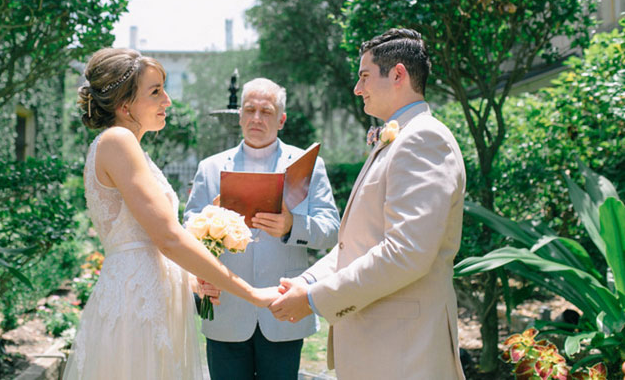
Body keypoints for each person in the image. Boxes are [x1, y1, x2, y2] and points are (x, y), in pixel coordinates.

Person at [63, 49, 278, 380]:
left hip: (152, 295)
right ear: (124, 105)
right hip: (137, 303)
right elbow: (166, 237)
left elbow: (147, 235)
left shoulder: (127, 146)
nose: (168, 100)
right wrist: (250, 293)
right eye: (155, 91)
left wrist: (191, 279)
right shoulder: (118, 140)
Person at [269, 29, 467, 380]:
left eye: (364, 76)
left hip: (405, 351)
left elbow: (406, 252)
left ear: (398, 74)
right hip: (380, 345)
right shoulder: (398, 138)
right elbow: (360, 241)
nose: (357, 89)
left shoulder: (423, 138)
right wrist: (308, 282)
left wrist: (316, 299)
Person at [184, 77, 340, 380]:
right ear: (240, 115)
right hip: (225, 309)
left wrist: (292, 225)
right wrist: (209, 221)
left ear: (281, 119)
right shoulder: (210, 167)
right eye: (250, 109)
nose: (256, 118)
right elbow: (186, 233)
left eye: (266, 111)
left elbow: (332, 230)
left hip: (281, 308)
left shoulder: (308, 165)